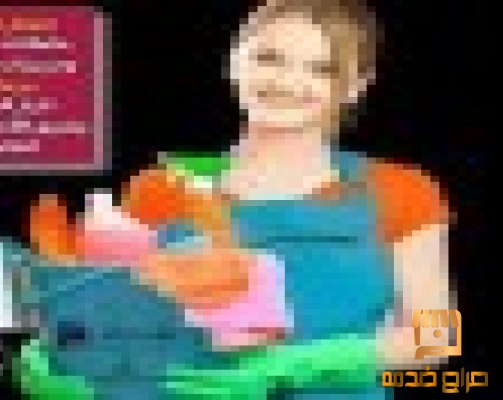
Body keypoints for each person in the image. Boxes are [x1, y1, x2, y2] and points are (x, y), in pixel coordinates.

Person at [23, 0, 456, 398]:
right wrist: (62, 357)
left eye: (322, 69)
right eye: (269, 58)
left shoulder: (400, 189)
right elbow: (111, 315)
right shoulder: (159, 187)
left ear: (356, 87)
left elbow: (438, 337)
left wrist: (300, 364)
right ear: (235, 62)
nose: (286, 82)